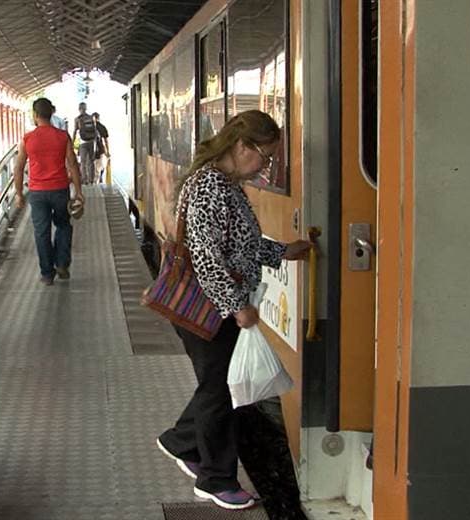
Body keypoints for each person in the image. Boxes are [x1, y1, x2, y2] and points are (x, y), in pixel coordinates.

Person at [155, 110, 312, 510]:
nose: (265, 166)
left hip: (214, 302)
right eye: (265, 156)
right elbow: (207, 257)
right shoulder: (209, 185)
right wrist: (236, 306)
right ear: (242, 146)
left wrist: (282, 252)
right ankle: (215, 479)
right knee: (220, 391)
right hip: (208, 306)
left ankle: (180, 442)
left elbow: (239, 244)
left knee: (218, 387)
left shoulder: (225, 184)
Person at [15, 97, 83, 285]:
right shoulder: (62, 136)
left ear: (35, 115)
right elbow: (73, 164)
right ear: (51, 113)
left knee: (41, 232)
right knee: (63, 225)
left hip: (37, 193)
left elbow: (18, 168)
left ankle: (47, 273)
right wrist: (78, 191)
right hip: (60, 189)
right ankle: (61, 263)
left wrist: (19, 194)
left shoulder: (27, 139)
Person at [71, 102, 96, 184]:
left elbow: (75, 131)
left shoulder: (77, 119)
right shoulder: (91, 117)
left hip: (82, 142)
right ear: (86, 108)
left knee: (83, 162)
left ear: (79, 109)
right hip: (91, 141)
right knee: (91, 161)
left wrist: (72, 142)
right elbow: (95, 131)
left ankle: (85, 180)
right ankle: (91, 180)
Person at [92, 112, 110, 184]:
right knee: (100, 166)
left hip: (89, 151)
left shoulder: (88, 127)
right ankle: (99, 179)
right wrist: (107, 152)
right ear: (98, 118)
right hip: (100, 150)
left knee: (94, 168)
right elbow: (106, 141)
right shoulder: (102, 127)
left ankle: (94, 181)